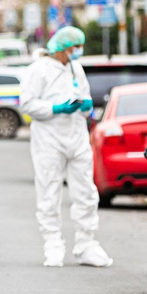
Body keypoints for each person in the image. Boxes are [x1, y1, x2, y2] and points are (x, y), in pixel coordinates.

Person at [20, 26, 113, 268]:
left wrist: (85, 106)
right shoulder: (38, 70)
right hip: (49, 139)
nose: (78, 51)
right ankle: (53, 246)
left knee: (86, 192)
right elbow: (27, 104)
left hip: (77, 137)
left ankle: (86, 245)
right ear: (63, 47)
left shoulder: (75, 68)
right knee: (49, 192)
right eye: (75, 47)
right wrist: (56, 109)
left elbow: (84, 97)